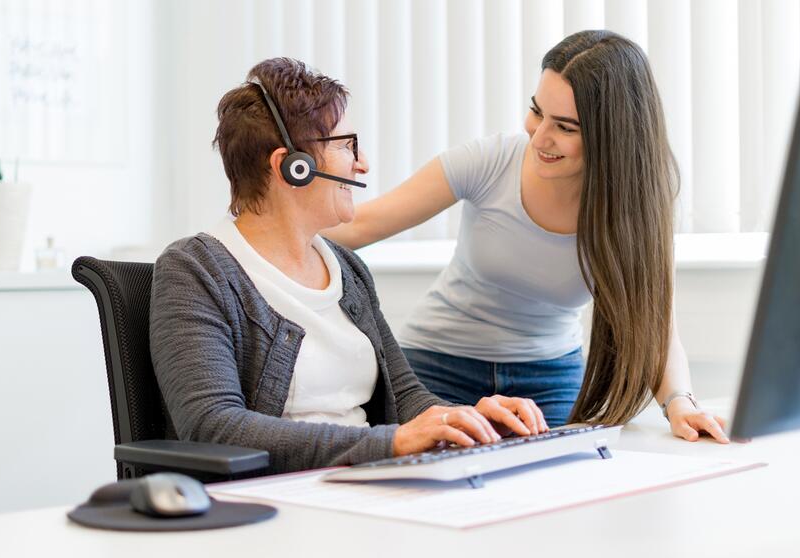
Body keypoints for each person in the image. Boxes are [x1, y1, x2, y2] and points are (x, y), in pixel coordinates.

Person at [322, 30, 729, 443]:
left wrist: (680, 404)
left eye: (565, 127)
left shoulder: (634, 205)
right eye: (537, 111)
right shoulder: (489, 161)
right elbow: (358, 226)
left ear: (612, 136)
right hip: (437, 368)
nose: (539, 136)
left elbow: (656, 321)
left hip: (549, 380)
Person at [149, 58, 548, 475]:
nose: (363, 164)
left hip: (365, 487)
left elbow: (405, 393)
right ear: (292, 167)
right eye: (347, 146)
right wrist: (387, 443)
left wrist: (470, 421)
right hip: (276, 497)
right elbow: (212, 427)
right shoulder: (195, 271)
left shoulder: (346, 268)